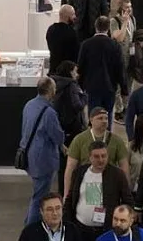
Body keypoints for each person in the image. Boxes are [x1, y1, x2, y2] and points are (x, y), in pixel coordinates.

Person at [66, 141, 134, 241]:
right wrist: (67, 221)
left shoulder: (117, 174)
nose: (101, 160)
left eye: (103, 156)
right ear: (90, 157)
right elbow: (71, 198)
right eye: (96, 156)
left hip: (105, 230)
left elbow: (127, 200)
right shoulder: (79, 172)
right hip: (80, 228)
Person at [20, 77, 66, 226]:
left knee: (37, 192)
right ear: (51, 90)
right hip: (44, 160)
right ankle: (31, 228)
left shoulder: (29, 105)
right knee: (40, 198)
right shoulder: (49, 112)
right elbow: (57, 136)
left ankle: (29, 223)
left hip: (30, 156)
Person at [65, 107, 130, 199]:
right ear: (91, 120)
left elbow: (124, 167)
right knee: (91, 206)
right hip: (87, 183)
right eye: (100, 118)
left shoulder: (117, 140)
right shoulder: (79, 139)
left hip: (109, 184)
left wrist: (126, 193)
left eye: (106, 118)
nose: (104, 121)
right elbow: (70, 167)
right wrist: (67, 193)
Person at [77, 17, 128, 128]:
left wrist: (80, 87)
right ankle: (107, 135)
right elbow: (120, 69)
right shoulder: (115, 45)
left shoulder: (86, 44)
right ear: (108, 28)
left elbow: (80, 68)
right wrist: (124, 89)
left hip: (92, 87)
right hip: (110, 87)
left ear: (95, 27)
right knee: (107, 115)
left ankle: (94, 135)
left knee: (93, 115)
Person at [52, 61, 88, 195]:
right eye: (75, 71)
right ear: (69, 72)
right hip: (74, 128)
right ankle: (72, 191)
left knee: (63, 162)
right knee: (75, 161)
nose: (77, 74)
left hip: (62, 127)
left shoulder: (56, 83)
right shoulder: (72, 85)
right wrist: (84, 97)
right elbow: (77, 105)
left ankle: (62, 191)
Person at [19, 193, 83, 241]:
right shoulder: (29, 233)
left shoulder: (72, 230)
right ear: (41, 211)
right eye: (50, 209)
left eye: (58, 208)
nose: (55, 213)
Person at [47, 4, 80, 74]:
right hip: (67, 72)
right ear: (67, 16)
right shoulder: (72, 32)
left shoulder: (51, 29)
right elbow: (76, 53)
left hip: (53, 69)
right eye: (73, 14)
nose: (75, 17)